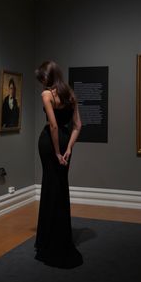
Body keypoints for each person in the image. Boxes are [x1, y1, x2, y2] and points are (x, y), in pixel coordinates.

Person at [34, 60, 83, 268]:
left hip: (50, 144)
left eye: (43, 78)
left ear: (49, 76)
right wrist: (69, 148)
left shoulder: (47, 95)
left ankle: (47, 240)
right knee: (61, 188)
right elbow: (78, 126)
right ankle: (60, 236)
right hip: (65, 142)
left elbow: (53, 125)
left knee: (50, 187)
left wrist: (56, 151)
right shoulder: (70, 94)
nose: (42, 82)